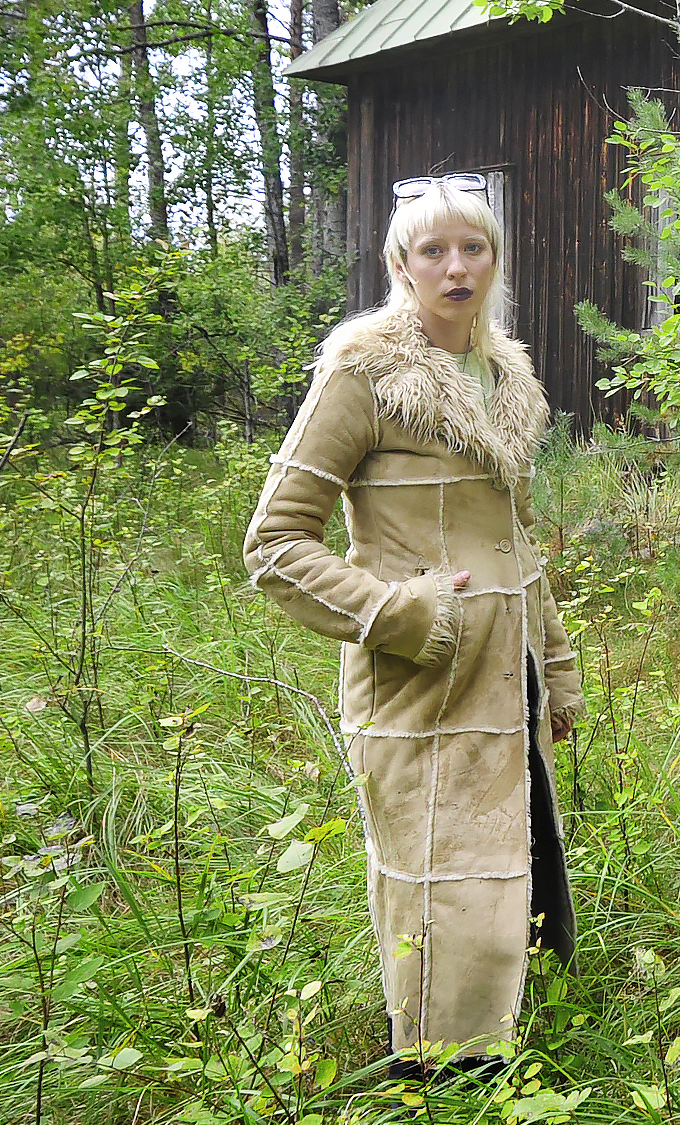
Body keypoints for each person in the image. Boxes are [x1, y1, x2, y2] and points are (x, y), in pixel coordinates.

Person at [245, 175, 582, 1068]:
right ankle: (437, 1090)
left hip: (507, 674)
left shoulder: (505, 375)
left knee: (515, 864)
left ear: (494, 259)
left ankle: (515, 1072)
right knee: (438, 883)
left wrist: (559, 662)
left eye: (472, 246)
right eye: (432, 250)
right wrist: (404, 614)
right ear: (401, 264)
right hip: (420, 678)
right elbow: (275, 543)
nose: (455, 266)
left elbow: (511, 542)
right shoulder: (363, 369)